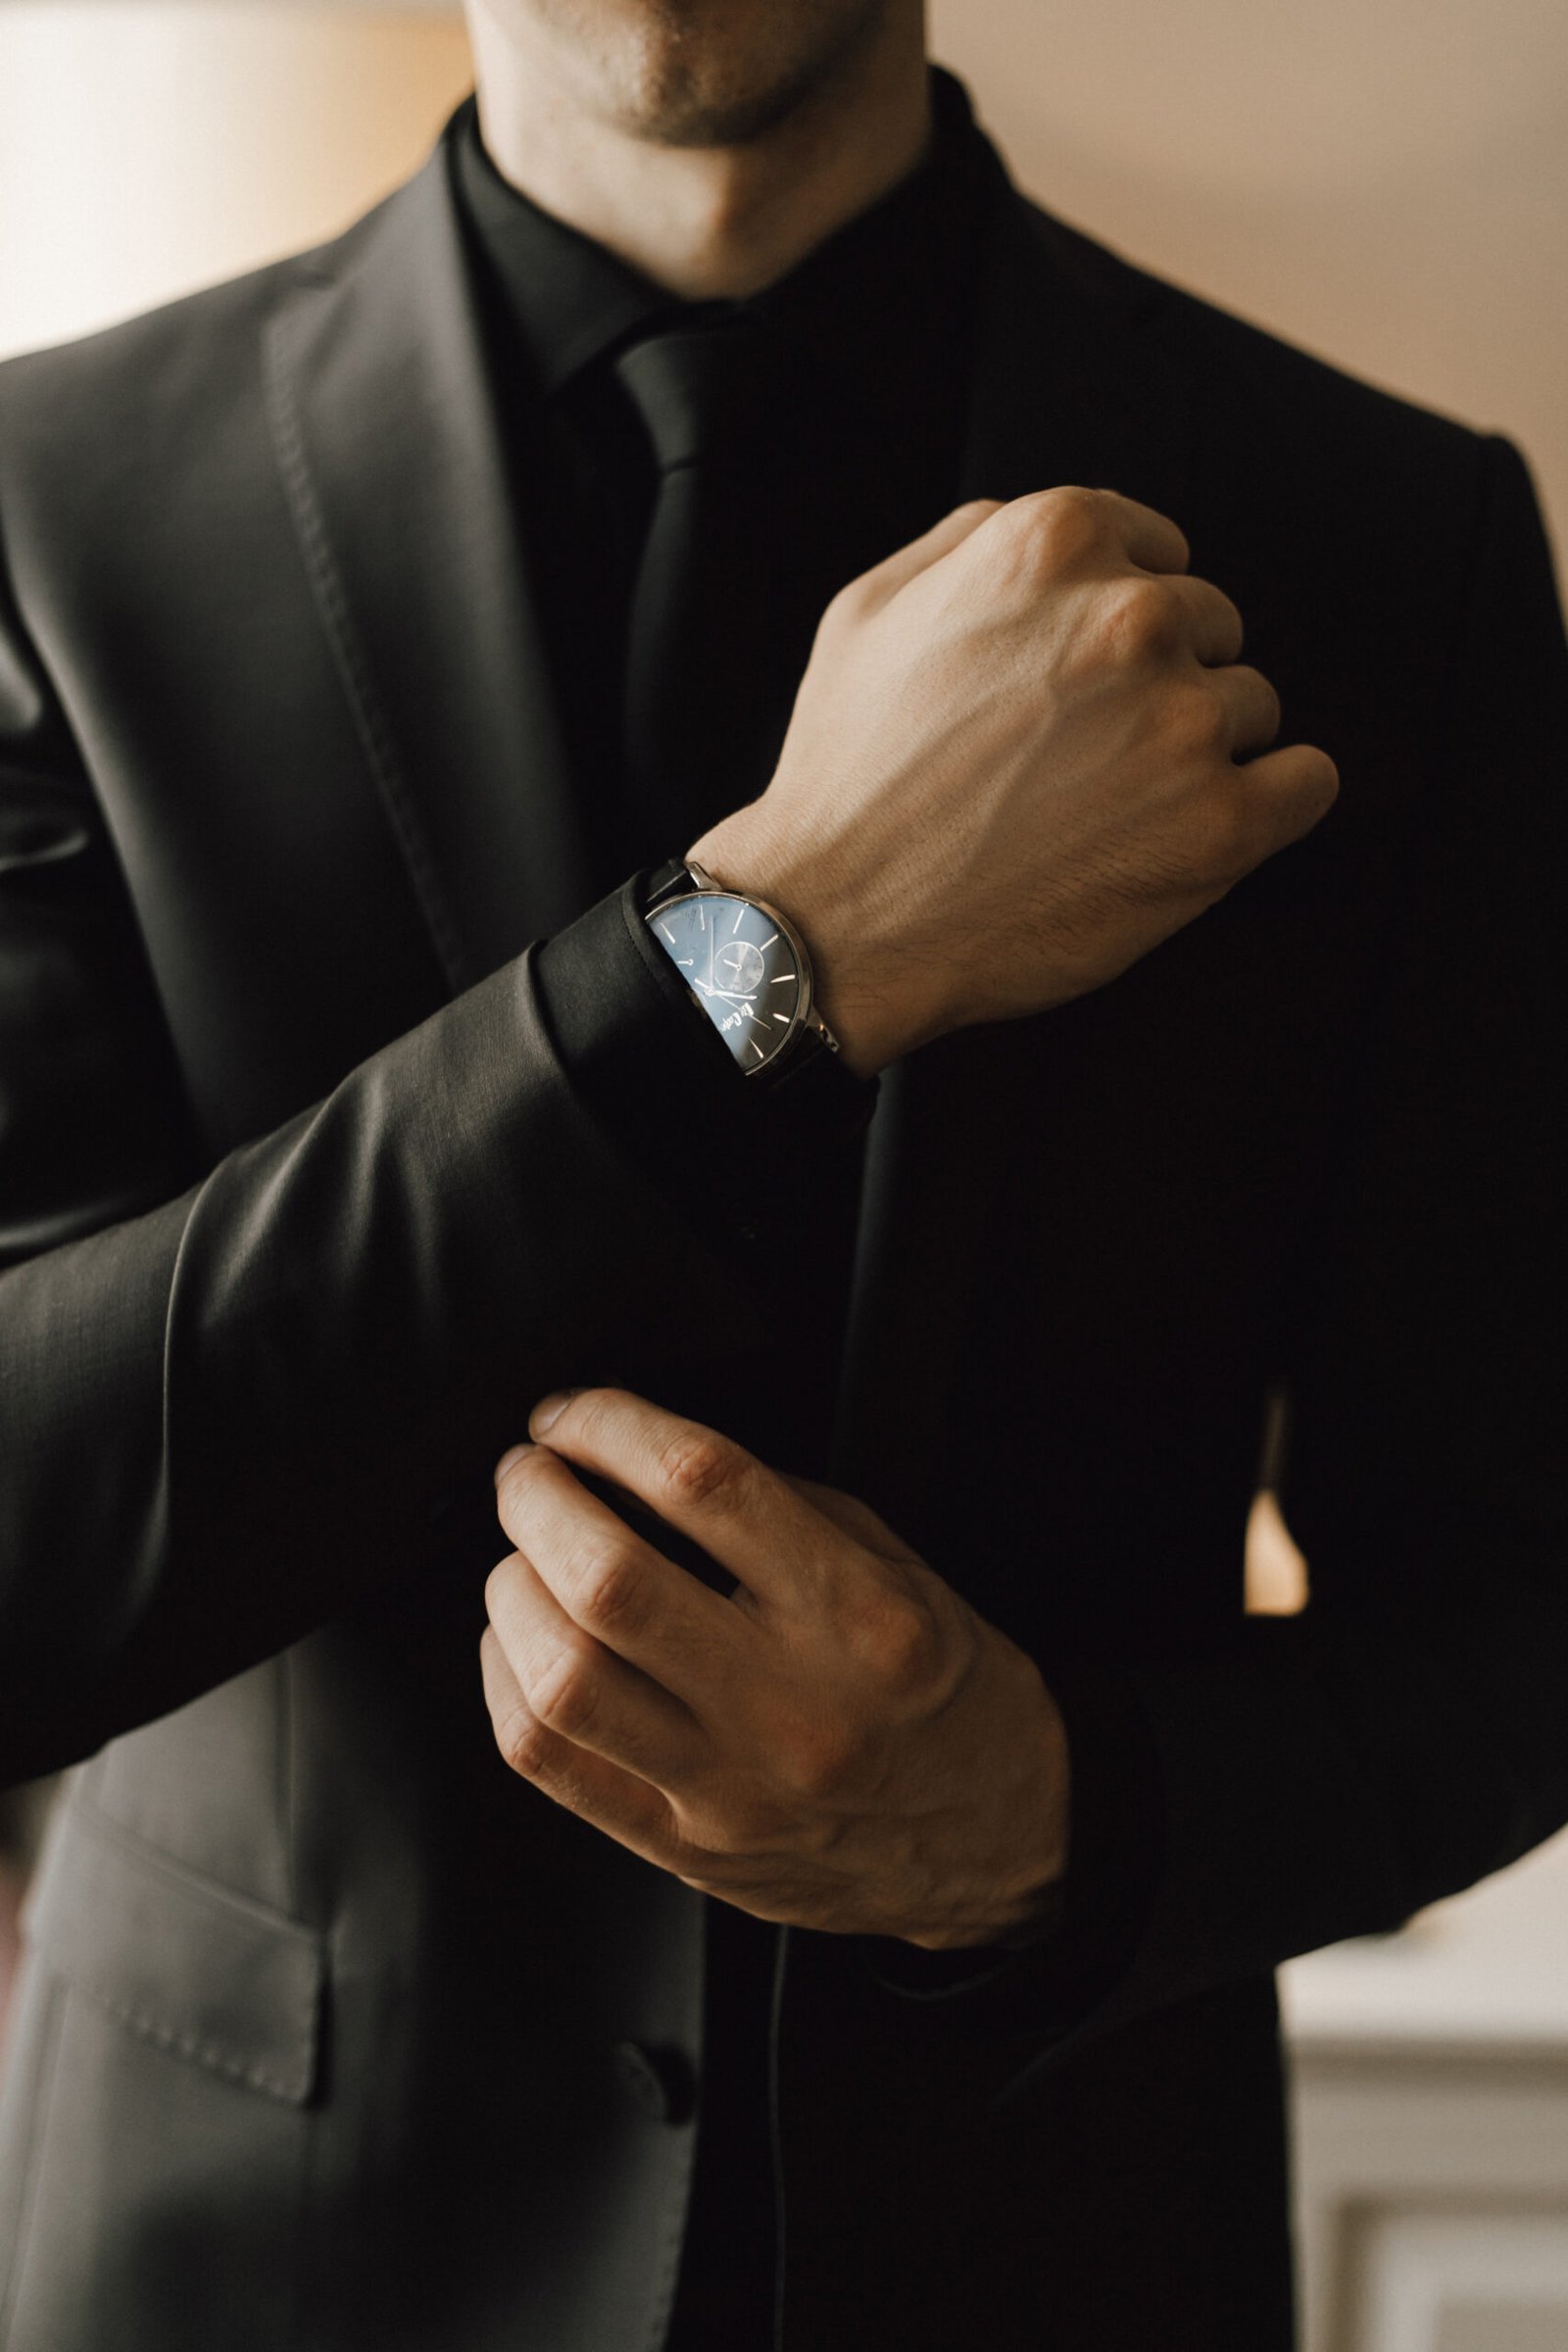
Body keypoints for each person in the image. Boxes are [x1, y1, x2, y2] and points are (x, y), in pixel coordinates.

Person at [0, 0, 1562, 2344]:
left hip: (1051, 2263)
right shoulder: (39, 508)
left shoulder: (1380, 540)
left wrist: (1047, 1820)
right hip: (248, 2263)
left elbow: (1517, 1594)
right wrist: (771, 948)